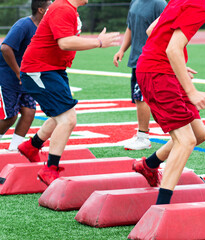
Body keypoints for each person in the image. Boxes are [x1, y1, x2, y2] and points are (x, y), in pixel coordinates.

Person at [18, 0, 120, 185]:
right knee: (68, 119)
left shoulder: (68, 9)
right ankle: (50, 168)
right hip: (40, 69)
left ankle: (31, 147)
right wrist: (98, 42)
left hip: (53, 69)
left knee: (61, 114)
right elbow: (65, 43)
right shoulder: (63, 8)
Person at [132, 0, 205, 205]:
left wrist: (179, 66)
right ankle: (161, 206)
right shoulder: (198, 6)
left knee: (198, 135)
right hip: (158, 73)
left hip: (162, 70)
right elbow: (172, 49)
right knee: (186, 141)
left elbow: (152, 31)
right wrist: (191, 91)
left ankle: (149, 165)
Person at [113, 0, 167, 151]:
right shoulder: (135, 2)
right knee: (141, 98)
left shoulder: (159, 3)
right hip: (137, 60)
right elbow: (130, 27)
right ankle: (143, 135)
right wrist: (122, 50)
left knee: (141, 98)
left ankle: (143, 137)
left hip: (150, 60)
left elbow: (165, 31)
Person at [0, 0, 52, 151]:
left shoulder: (46, 28)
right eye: (50, 5)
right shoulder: (23, 25)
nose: (54, 7)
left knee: (29, 112)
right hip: (8, 75)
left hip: (27, 77)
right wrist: (18, 72)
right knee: (10, 116)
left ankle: (15, 149)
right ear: (41, 10)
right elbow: (5, 48)